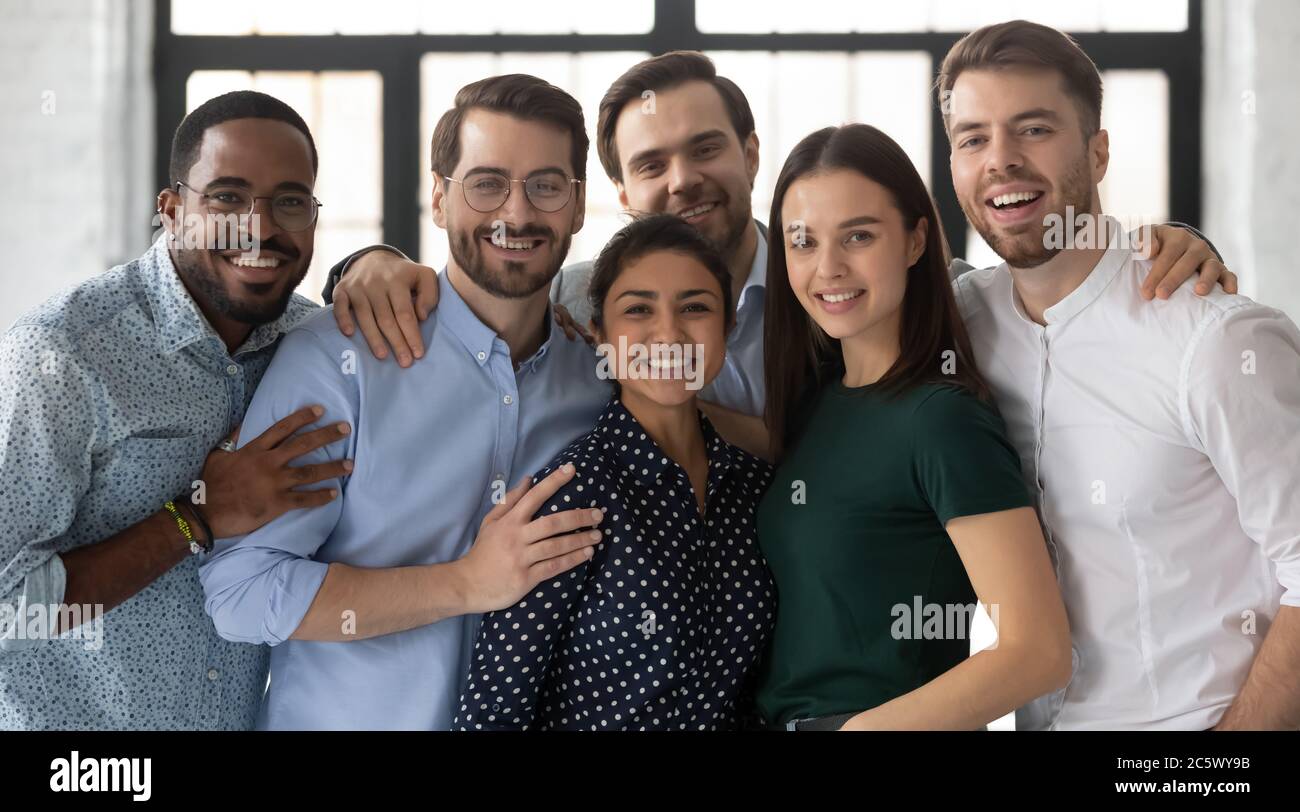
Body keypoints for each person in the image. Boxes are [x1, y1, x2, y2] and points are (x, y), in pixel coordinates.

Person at [320, 51, 1232, 422]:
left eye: (706, 147)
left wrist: (1167, 240)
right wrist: (370, 262)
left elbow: (1026, 283)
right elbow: (475, 293)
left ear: (750, 151)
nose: (683, 178)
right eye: (652, 163)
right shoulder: (576, 300)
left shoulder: (870, 282)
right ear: (622, 189)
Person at [199, 74, 617, 730]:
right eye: (486, 182)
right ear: (439, 198)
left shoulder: (596, 382)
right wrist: (465, 583)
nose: (517, 212)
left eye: (546, 184)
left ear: (578, 204)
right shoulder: (340, 359)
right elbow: (241, 593)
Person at [940, 20, 1300, 729]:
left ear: (1098, 152)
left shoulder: (1215, 337)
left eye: (1034, 129)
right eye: (973, 138)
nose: (1001, 161)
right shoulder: (958, 322)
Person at [0, 91, 352, 729]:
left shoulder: (315, 349)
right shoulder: (64, 353)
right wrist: (194, 517)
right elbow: (6, 605)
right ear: (171, 210)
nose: (260, 227)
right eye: (226, 196)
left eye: (290, 201)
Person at [751, 123, 1071, 731]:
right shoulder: (815, 401)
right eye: (803, 242)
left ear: (916, 240)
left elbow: (1037, 651)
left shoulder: (942, 419)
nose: (828, 269)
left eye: (859, 236)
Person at [454, 214, 775, 730]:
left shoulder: (755, 488)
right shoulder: (570, 497)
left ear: (728, 328)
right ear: (600, 334)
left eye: (694, 307)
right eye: (638, 310)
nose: (668, 333)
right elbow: (491, 713)